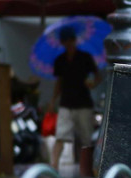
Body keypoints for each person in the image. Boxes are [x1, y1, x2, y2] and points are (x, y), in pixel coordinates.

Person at [48, 25, 102, 170]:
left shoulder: (85, 58)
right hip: (66, 102)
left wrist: (93, 84)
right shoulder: (60, 60)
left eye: (71, 39)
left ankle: (88, 168)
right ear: (63, 42)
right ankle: (54, 167)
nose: (69, 43)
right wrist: (53, 100)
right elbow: (59, 82)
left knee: (86, 138)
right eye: (66, 40)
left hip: (83, 102)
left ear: (74, 40)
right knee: (60, 135)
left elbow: (98, 76)